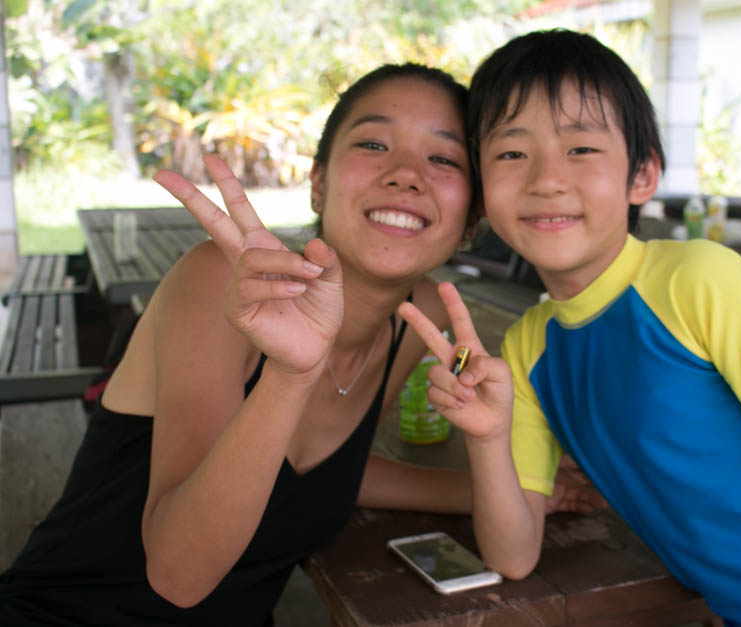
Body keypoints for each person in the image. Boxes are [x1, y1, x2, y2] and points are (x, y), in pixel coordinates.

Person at [399, 30, 741, 625]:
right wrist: (485, 436)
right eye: (510, 153)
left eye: (581, 149)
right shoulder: (527, 348)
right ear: (481, 187)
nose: (546, 178)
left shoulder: (698, 280)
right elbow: (515, 555)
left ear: (643, 175)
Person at [0, 62, 520, 626]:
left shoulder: (419, 318)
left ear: (473, 216)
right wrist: (290, 376)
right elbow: (178, 576)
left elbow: (327, 472)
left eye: (443, 158)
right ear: (318, 181)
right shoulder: (226, 286)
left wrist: (501, 491)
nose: (405, 174)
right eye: (373, 142)